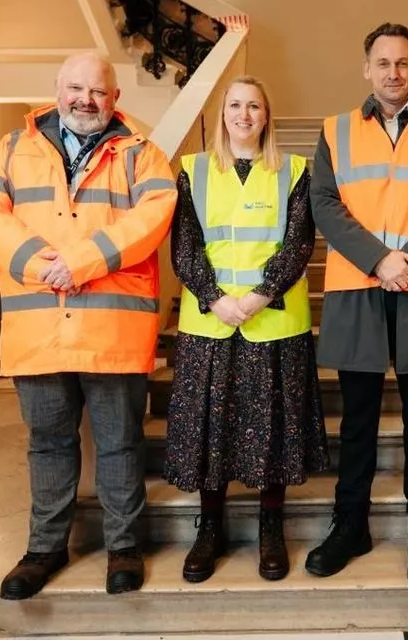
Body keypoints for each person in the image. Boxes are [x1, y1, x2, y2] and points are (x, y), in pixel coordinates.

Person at [0, 51, 177, 598]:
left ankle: (124, 547)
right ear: (57, 90)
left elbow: (150, 220)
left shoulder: (143, 155)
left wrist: (79, 262)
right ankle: (44, 548)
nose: (87, 99)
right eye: (76, 88)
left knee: (121, 443)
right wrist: (41, 264)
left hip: (113, 331)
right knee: (49, 443)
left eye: (99, 91)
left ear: (115, 98)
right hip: (39, 328)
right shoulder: (10, 149)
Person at [304, 22, 408, 587]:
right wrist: (380, 260)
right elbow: (324, 203)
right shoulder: (335, 131)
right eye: (383, 62)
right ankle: (351, 524)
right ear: (366, 68)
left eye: (403, 62)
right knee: (358, 423)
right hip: (358, 287)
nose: (393, 72)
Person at [164, 76, 329, 583]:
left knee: (272, 431)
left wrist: (258, 297)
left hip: (273, 322)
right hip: (209, 324)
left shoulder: (296, 170)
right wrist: (216, 298)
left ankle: (270, 527)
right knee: (210, 431)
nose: (243, 114)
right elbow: (185, 247)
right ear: (222, 115)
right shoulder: (192, 171)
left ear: (266, 115)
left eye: (253, 105)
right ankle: (209, 529)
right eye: (234, 105)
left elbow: (299, 244)